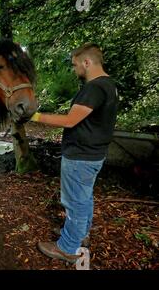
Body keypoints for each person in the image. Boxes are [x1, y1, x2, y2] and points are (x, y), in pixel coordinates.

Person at [30, 43, 119, 263]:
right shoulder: (110, 85)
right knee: (84, 198)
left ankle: (68, 248)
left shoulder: (95, 88)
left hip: (80, 156)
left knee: (75, 202)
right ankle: (81, 234)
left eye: (75, 65)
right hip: (94, 154)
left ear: (86, 63)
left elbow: (70, 120)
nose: (74, 69)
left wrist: (35, 117)